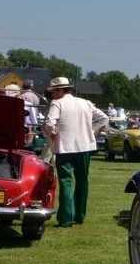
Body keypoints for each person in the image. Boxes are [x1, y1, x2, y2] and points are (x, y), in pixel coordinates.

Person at [44, 76, 110, 227]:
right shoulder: (85, 102)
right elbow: (104, 119)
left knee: (65, 181)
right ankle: (79, 215)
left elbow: (49, 123)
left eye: (54, 91)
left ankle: (66, 218)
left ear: (60, 90)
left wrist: (52, 134)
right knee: (82, 181)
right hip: (85, 147)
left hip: (64, 147)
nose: (52, 94)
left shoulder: (57, 103)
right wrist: (95, 133)